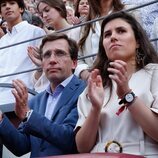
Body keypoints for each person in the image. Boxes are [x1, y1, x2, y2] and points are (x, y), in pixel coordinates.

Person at [75, 12, 158, 157]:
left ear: (138, 41)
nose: (113, 37)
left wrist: (127, 95)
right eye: (107, 35)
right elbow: (82, 147)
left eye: (121, 31)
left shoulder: (155, 73)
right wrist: (95, 108)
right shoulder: (95, 85)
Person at [0, 33, 86, 157]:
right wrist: (1, 120)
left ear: (74, 63)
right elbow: (21, 146)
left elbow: (71, 140)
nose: (52, 60)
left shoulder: (84, 91)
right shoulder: (36, 100)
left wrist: (28, 115)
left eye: (60, 53)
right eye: (46, 55)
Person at [71, 0, 141, 80]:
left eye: (121, 31)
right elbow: (79, 57)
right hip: (97, 82)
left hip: (129, 76)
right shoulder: (86, 22)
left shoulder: (131, 11)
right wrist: (87, 75)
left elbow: (140, 43)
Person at [0, 0, 45, 105]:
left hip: (25, 96)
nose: (7, 7)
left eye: (11, 3)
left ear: (21, 9)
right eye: (3, 5)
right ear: (1, 13)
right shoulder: (2, 41)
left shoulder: (36, 32)